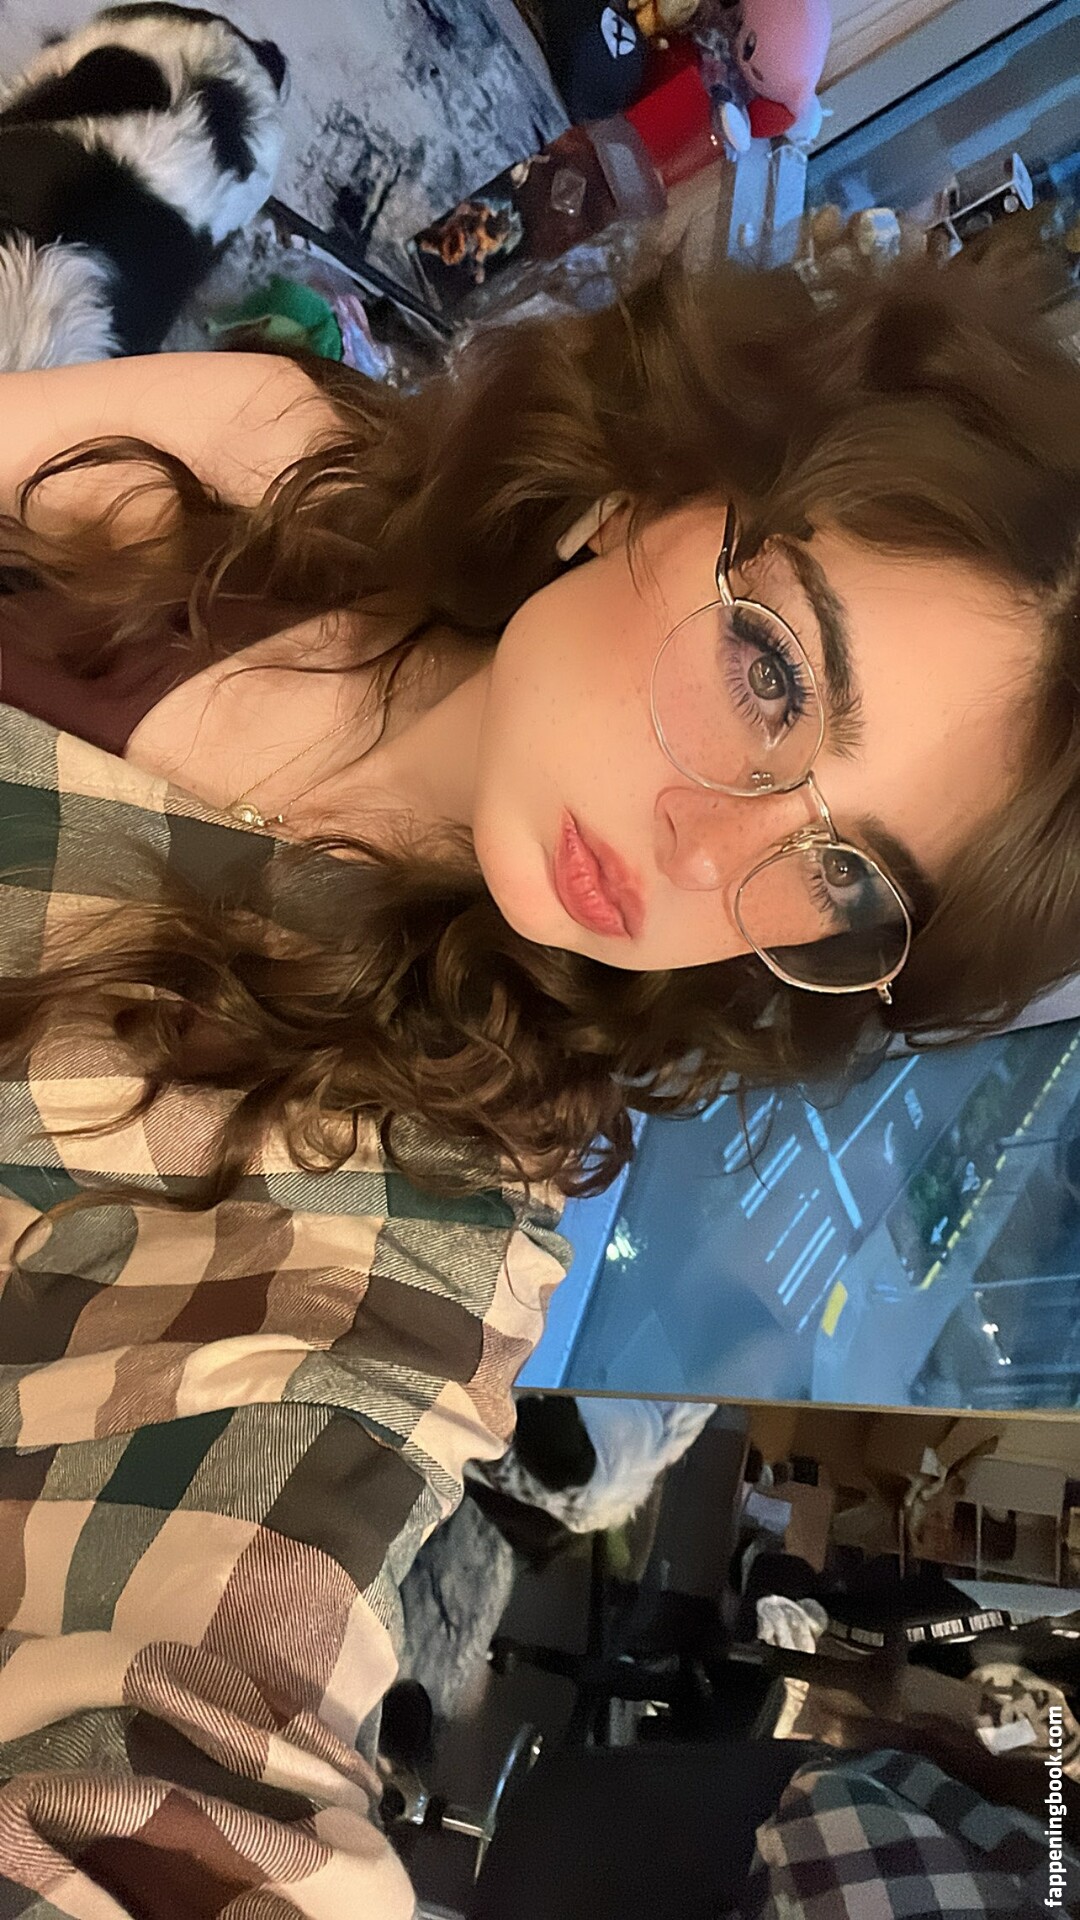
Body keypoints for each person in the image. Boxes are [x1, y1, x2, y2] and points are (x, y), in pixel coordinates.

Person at [0, 238, 1078, 1915]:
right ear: (663, 480)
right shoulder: (280, 465)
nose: (710, 854)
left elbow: (203, 1679)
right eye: (773, 675)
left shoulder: (427, 1200)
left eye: (841, 872)